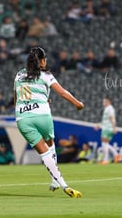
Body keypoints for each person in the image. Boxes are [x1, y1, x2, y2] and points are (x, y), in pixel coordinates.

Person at [14, 47, 84, 197]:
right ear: (42, 61)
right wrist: (77, 103)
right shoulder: (45, 74)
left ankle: (61, 184)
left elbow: (17, 98)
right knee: (50, 144)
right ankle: (56, 181)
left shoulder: (18, 75)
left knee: (44, 153)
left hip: (22, 118)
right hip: (41, 114)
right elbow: (63, 92)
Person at [95, 98, 121, 165]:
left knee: (104, 143)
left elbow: (111, 118)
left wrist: (114, 128)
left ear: (108, 102)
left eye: (105, 101)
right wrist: (99, 125)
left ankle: (106, 160)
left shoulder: (109, 108)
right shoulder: (108, 108)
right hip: (107, 127)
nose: (103, 103)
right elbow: (106, 120)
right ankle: (116, 155)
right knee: (105, 143)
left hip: (107, 128)